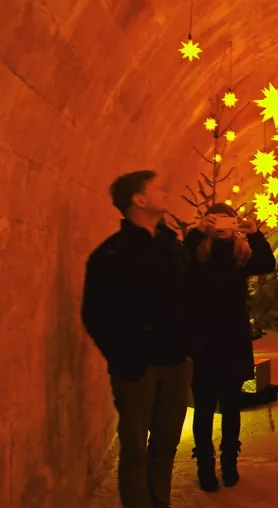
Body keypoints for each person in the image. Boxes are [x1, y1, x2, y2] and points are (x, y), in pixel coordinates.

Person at [81, 171, 193, 508]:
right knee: (134, 450)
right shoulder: (113, 253)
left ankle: (159, 502)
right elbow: (95, 314)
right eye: (157, 189)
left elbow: (192, 298)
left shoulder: (172, 247)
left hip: (175, 362)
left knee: (166, 444)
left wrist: (189, 349)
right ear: (138, 200)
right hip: (136, 369)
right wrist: (126, 359)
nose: (165, 193)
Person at [183, 203, 276, 492]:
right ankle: (205, 465)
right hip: (203, 341)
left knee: (231, 405)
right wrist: (197, 233)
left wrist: (255, 234)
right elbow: (178, 262)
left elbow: (267, 264)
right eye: (217, 221)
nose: (222, 227)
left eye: (228, 221)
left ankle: (229, 461)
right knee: (204, 407)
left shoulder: (241, 255)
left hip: (233, 340)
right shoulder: (197, 254)